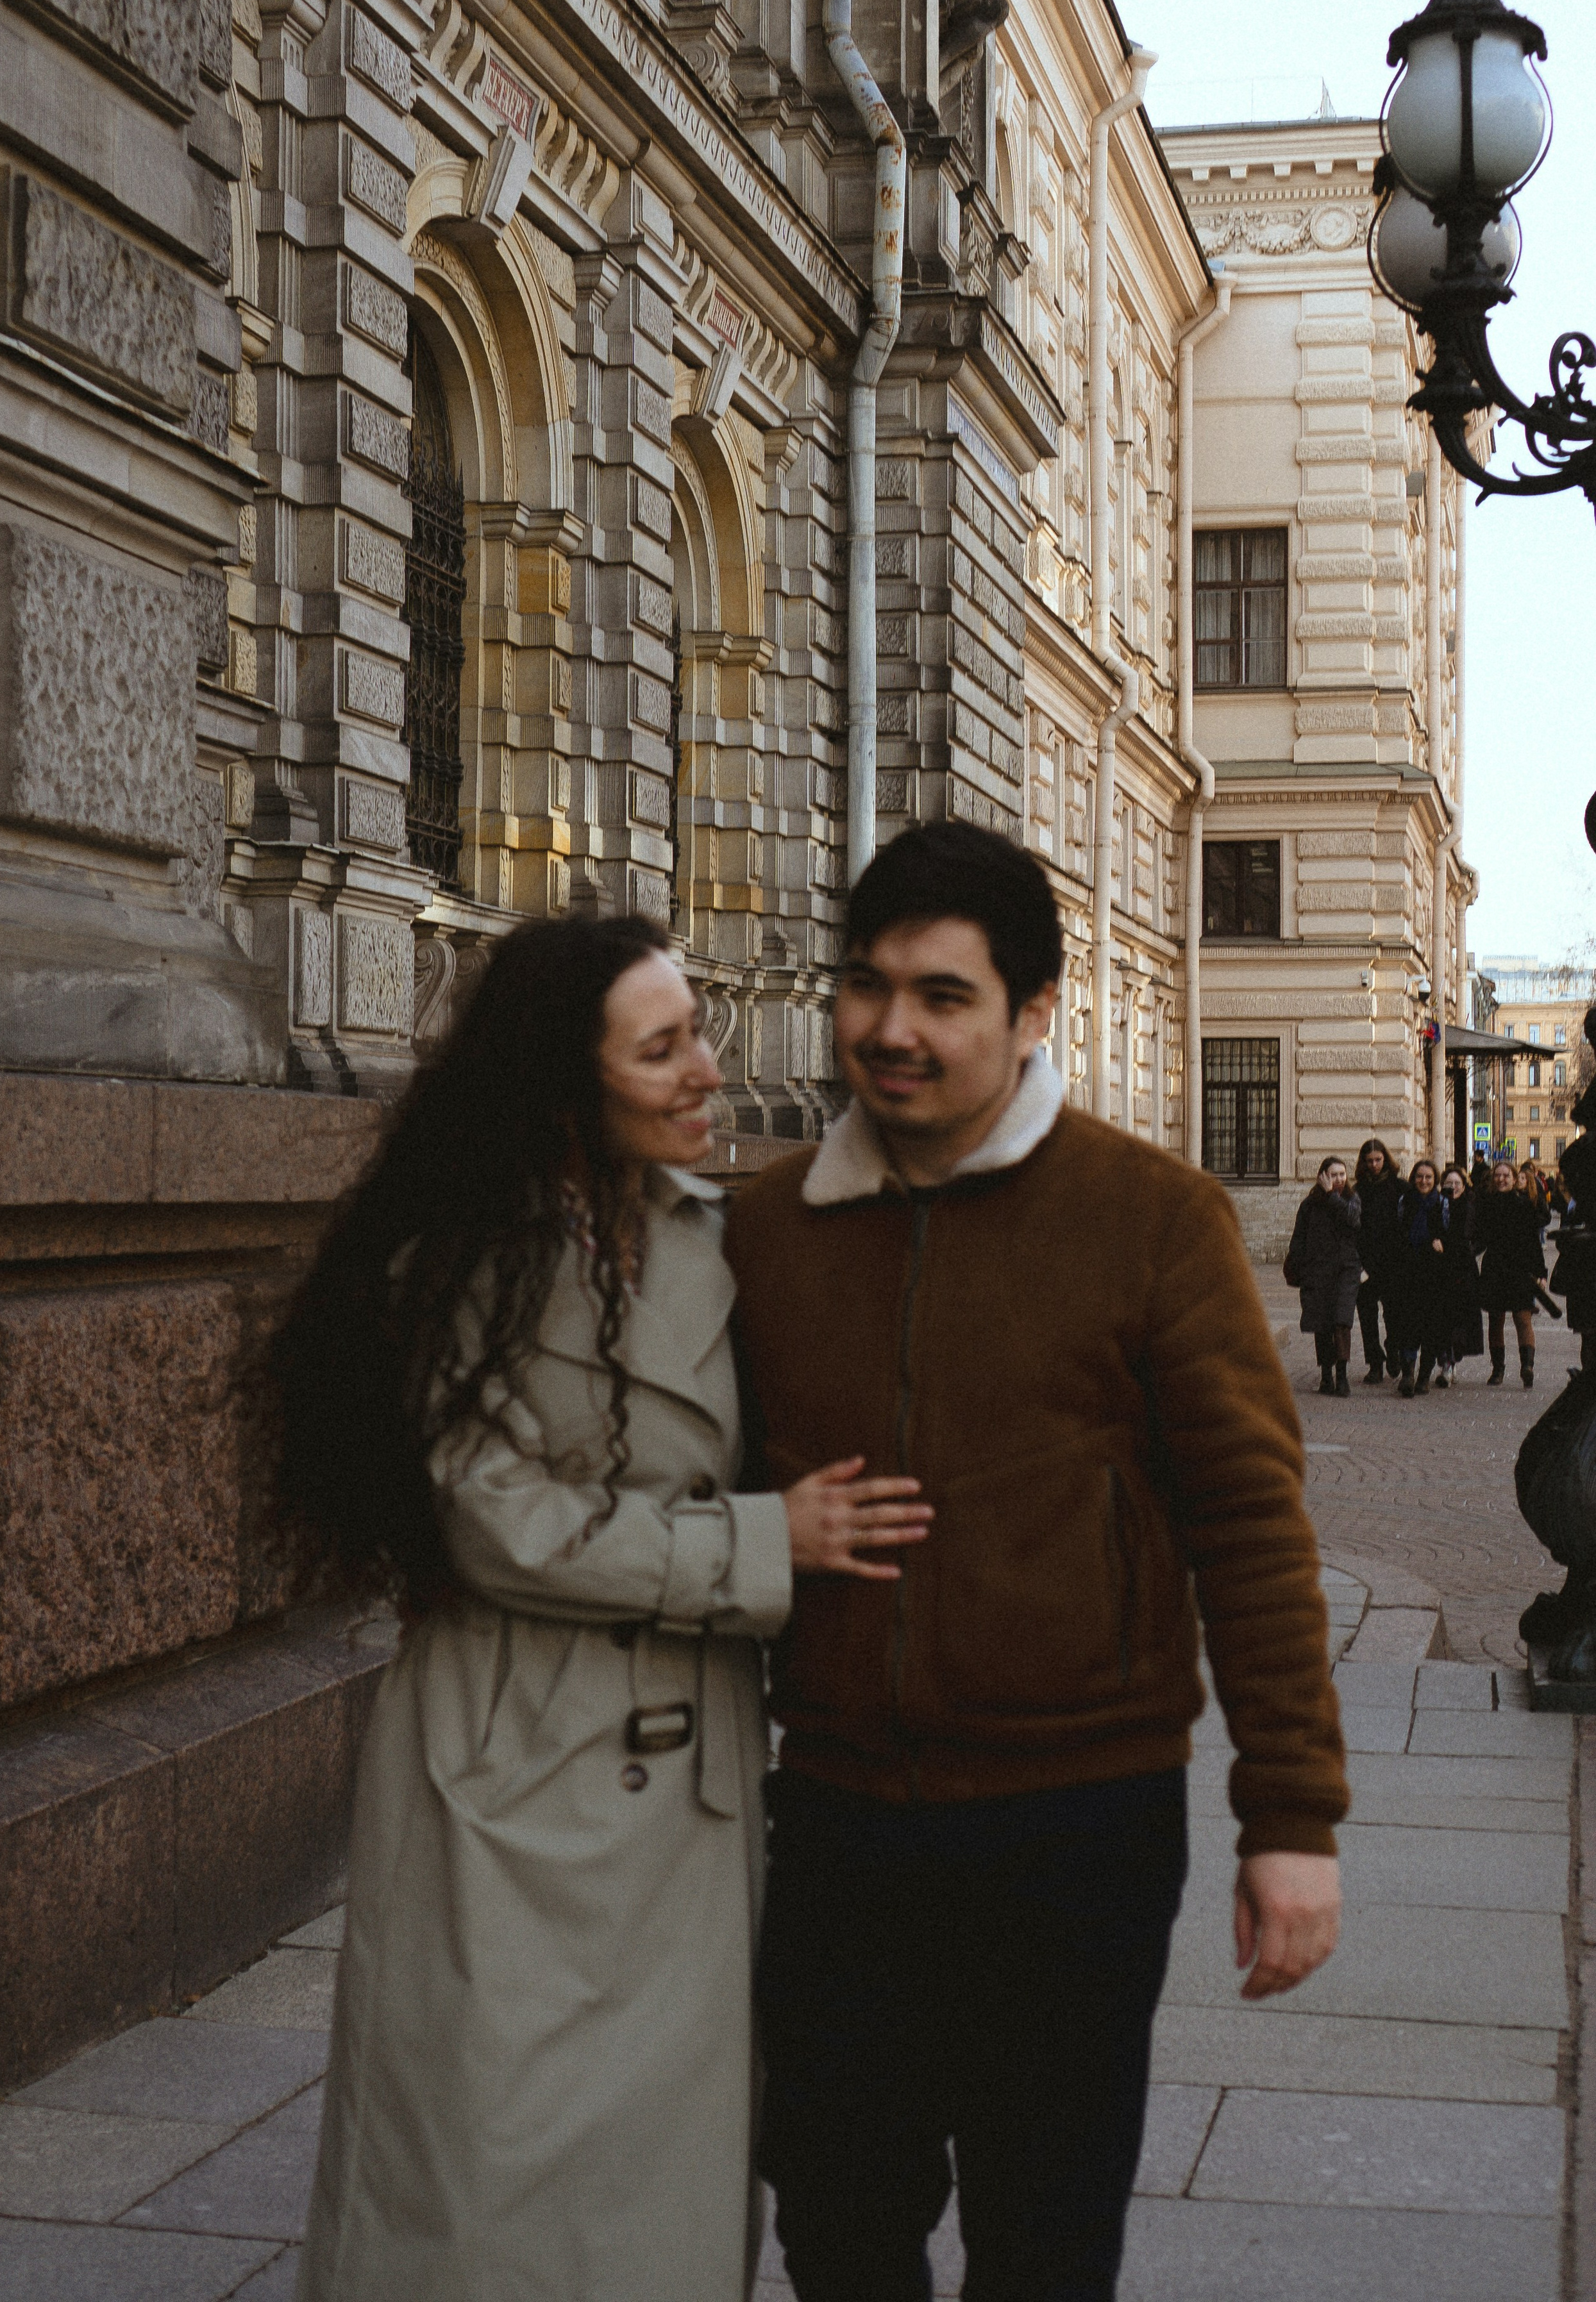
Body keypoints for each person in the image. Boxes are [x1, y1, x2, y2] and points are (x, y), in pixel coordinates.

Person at [264, 916, 932, 2302]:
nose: (709, 1070)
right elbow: (493, 1522)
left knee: (650, 2203)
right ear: (566, 1086)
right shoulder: (452, 1258)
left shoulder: (728, 1235)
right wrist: (760, 1547)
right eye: (663, 1046)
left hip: (683, 1784)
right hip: (508, 1767)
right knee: (482, 2174)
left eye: (700, 1029)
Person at [725, 823, 1347, 2302]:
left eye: (942, 995)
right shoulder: (763, 1228)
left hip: (1074, 1826)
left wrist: (1291, 1816)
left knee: (1042, 2240)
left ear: (1029, 1013)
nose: (891, 1029)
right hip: (834, 1817)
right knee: (834, 2219)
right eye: (866, 986)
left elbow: (1250, 1530)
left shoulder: (1151, 1218)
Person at [1284, 1157, 1363, 1395]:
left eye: (1342, 1174)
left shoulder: (1351, 1200)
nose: (1339, 1179)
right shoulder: (1310, 1205)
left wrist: (1332, 1197)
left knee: (1342, 1321)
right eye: (1333, 1174)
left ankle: (1342, 1375)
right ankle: (1326, 1375)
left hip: (1346, 1270)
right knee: (1322, 1324)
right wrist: (1295, 1267)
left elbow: (1353, 1221)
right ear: (1323, 1176)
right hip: (1318, 1271)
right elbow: (1299, 1238)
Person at [1475, 1155, 1548, 1388]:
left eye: (1506, 1175)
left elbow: (1533, 1242)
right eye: (1498, 1175)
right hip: (1495, 1267)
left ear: (1515, 1179)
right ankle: (1498, 1369)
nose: (1501, 1179)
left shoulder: (1524, 1204)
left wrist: (1541, 1272)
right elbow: (1480, 1238)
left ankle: (1527, 1366)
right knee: (1496, 1319)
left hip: (1520, 1268)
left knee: (1522, 1318)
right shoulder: (1486, 1204)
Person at [1393, 1158, 1451, 1396]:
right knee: (1408, 1325)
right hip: (1409, 1271)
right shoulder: (1405, 1201)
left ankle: (1424, 1376)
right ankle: (1408, 1375)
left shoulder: (1443, 1204)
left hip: (1435, 1273)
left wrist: (1443, 1244)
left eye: (1428, 1177)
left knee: (1431, 1327)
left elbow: (1453, 1235)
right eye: (1419, 1176)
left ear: (1435, 1180)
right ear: (1413, 1178)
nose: (1424, 1181)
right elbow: (1398, 1230)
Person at [1353, 1138, 1405, 1384]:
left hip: (1393, 1262)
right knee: (1367, 1316)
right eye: (1370, 1161)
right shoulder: (1358, 1190)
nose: (1374, 1165)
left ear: (1386, 1159)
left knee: (1394, 1314)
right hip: (1365, 1264)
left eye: (1378, 1160)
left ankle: (1393, 1349)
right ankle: (1375, 1363)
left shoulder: (1399, 1187)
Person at [1436, 1164, 1484, 1386]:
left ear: (1464, 1187)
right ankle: (1446, 1362)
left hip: (1464, 1271)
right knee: (1441, 1318)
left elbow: (1484, 1235)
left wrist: (1470, 1250)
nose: (1453, 1187)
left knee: (1460, 1318)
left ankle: (1452, 1361)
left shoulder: (1472, 1207)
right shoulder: (1437, 1206)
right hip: (1440, 1269)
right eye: (1449, 1184)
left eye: (1457, 1184)